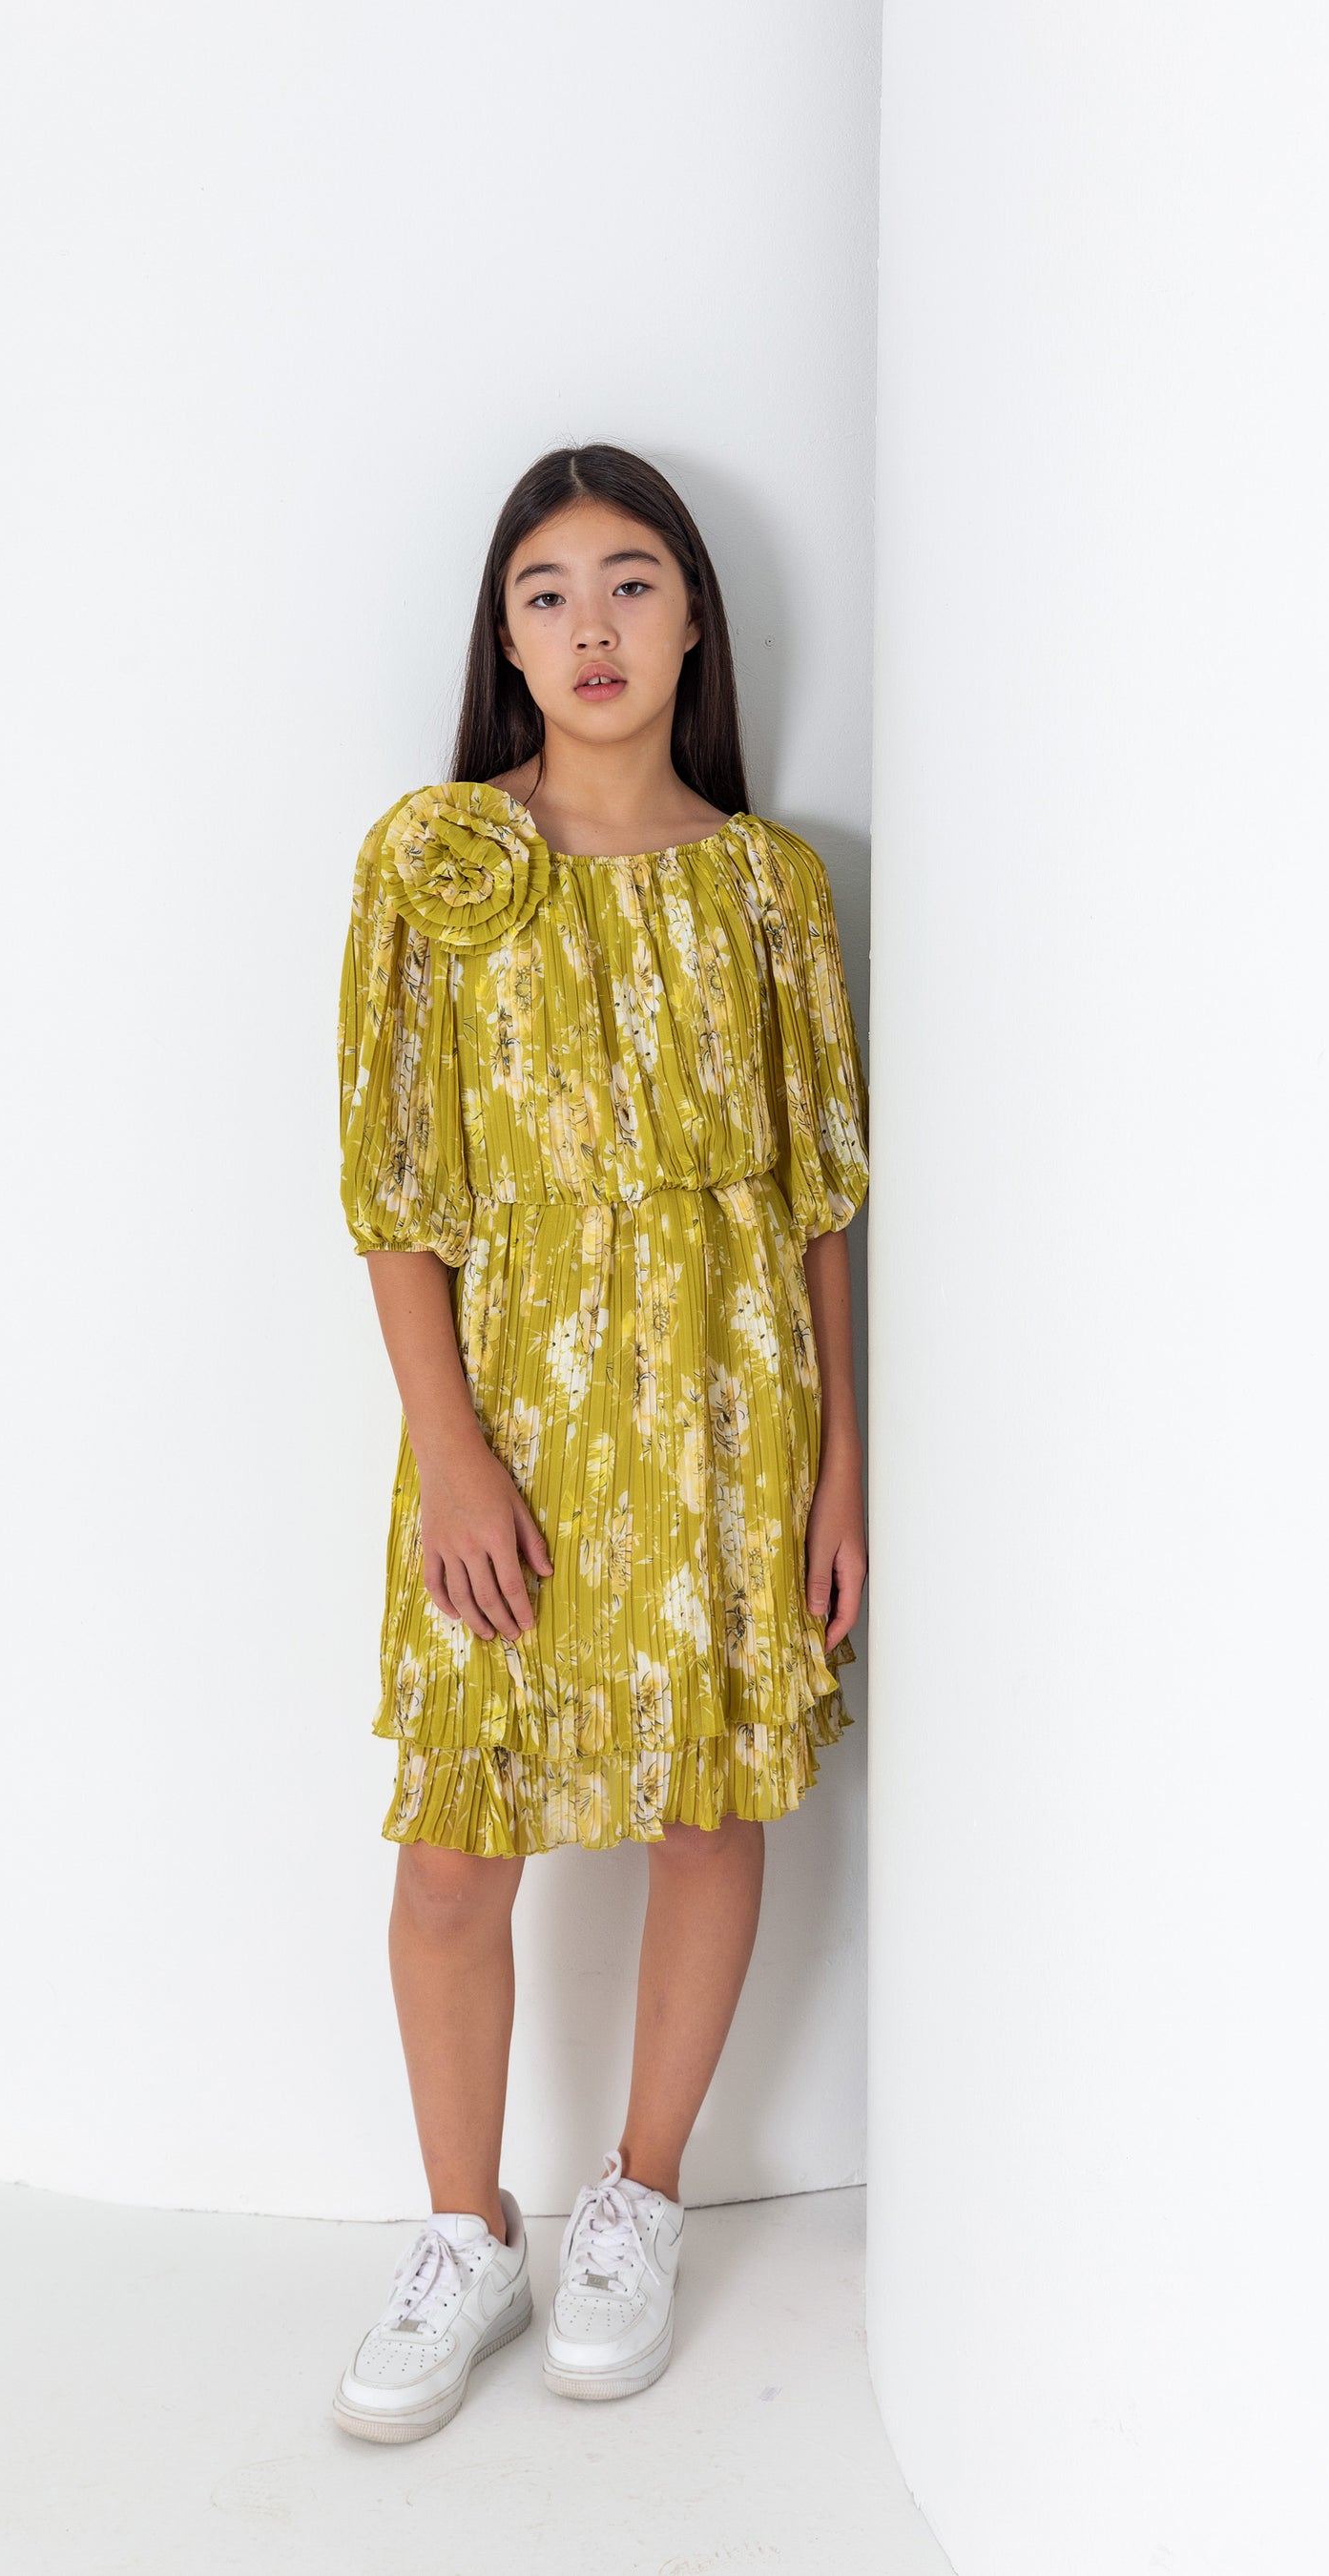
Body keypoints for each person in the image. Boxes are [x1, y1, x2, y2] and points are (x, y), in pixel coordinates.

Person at [330, 443, 870, 2442]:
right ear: (504, 638)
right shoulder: (435, 867)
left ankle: (638, 2195)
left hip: (733, 1423)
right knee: (452, 1862)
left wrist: (843, 1467)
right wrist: (452, 1455)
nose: (591, 628)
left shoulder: (770, 889)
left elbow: (818, 1204)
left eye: (632, 582)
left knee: (708, 1817)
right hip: (517, 1437)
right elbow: (397, 1195)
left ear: (695, 617)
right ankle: (464, 2231)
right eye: (545, 593)